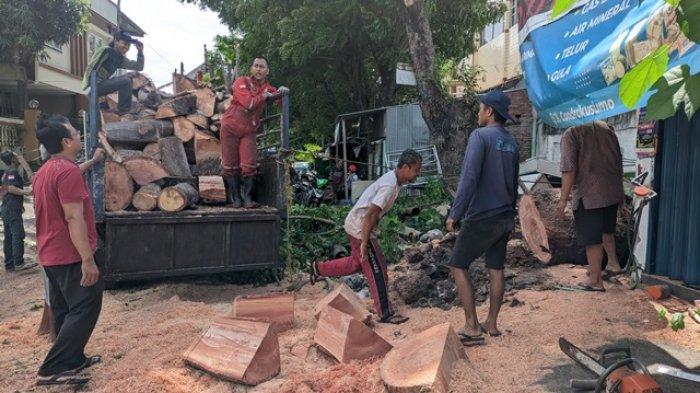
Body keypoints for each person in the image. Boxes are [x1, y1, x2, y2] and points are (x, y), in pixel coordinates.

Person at [309, 149, 422, 324]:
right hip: (359, 227)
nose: (417, 174)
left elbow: (373, 214)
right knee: (376, 268)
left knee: (356, 263)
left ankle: (318, 268)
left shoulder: (394, 181)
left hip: (358, 224)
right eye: (416, 169)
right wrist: (364, 242)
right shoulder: (389, 185)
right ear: (405, 167)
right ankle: (385, 313)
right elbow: (370, 214)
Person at [33, 115, 104, 386]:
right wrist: (87, 259)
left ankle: (73, 359)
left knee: (64, 309)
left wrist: (93, 161)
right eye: (75, 133)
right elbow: (74, 218)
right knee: (86, 306)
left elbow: (69, 175)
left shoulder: (46, 171)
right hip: (70, 254)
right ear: (65, 141)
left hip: (50, 254)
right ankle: (53, 368)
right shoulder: (67, 172)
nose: (79, 136)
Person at [446, 90, 519, 342]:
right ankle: (492, 323)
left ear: (489, 111)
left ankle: (472, 326)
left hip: (483, 214)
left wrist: (455, 213)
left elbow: (469, 178)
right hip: (506, 213)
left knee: (458, 264)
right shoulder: (511, 142)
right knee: (496, 267)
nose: (478, 112)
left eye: (480, 108)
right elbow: (514, 180)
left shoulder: (479, 136)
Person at [557, 120, 624, 292]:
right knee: (606, 230)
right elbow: (619, 162)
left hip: (589, 194)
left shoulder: (571, 133)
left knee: (592, 239)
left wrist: (563, 200)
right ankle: (613, 264)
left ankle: (595, 280)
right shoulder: (607, 128)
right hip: (612, 190)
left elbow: (569, 169)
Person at [220, 57, 288, 208]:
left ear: (267, 71)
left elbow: (280, 102)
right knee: (230, 164)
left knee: (249, 163)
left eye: (262, 67)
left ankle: (248, 199)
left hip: (249, 129)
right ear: (251, 68)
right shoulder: (241, 82)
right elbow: (248, 103)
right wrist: (264, 97)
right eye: (256, 66)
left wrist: (282, 92)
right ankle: (236, 200)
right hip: (230, 125)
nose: (258, 69)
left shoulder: (269, 88)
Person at [82, 30, 145, 114]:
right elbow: (91, 67)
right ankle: (123, 110)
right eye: (125, 44)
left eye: (129, 45)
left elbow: (138, 67)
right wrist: (90, 85)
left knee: (128, 79)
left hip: (104, 85)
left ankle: (120, 109)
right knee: (126, 80)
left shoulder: (120, 59)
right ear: (116, 41)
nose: (127, 48)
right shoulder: (106, 51)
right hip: (96, 85)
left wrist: (140, 52)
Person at [1, 151, 36, 272]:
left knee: (9, 236)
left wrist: (18, 204)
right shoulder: (12, 172)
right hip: (11, 208)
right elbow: (11, 188)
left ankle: (10, 264)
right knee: (17, 234)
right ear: (13, 159)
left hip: (7, 207)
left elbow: (5, 190)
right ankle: (19, 262)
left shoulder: (5, 173)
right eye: (16, 156)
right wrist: (27, 192)